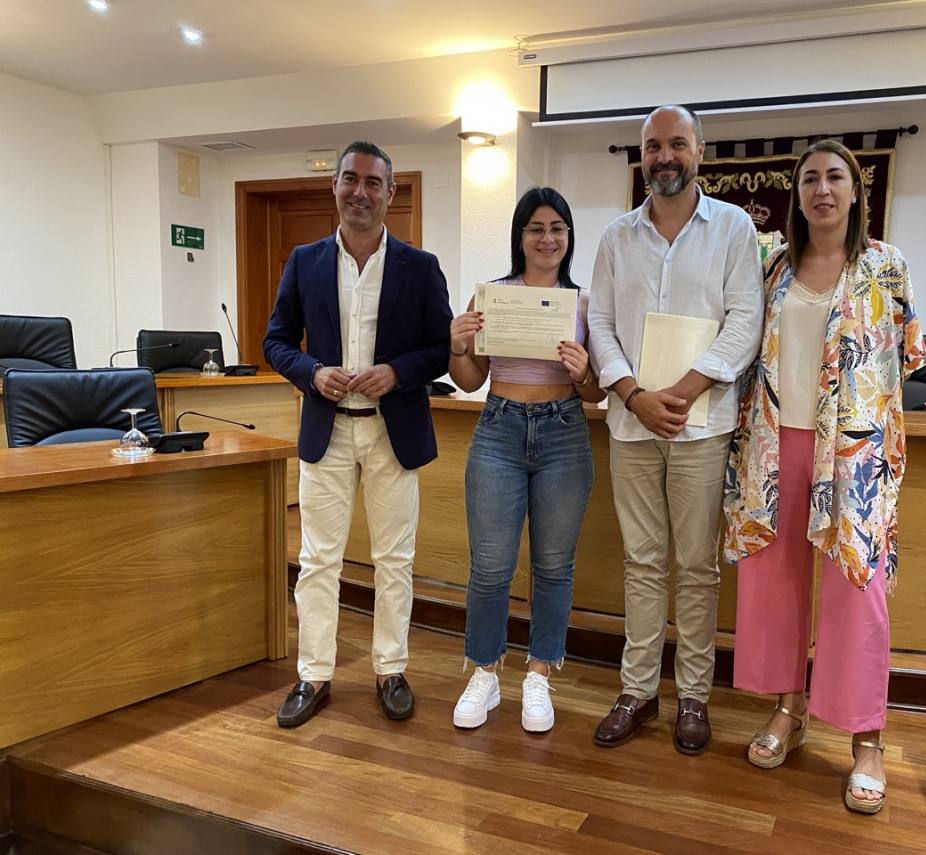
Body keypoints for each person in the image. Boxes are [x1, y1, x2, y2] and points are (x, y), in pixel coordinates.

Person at [723, 139, 926, 814]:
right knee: (774, 580)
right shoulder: (772, 266)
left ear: (855, 189)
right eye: (809, 178)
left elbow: (904, 363)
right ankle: (789, 709)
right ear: (797, 194)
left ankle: (867, 739)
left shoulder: (886, 265)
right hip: (774, 441)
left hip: (853, 452)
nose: (822, 188)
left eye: (835, 176)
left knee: (855, 588)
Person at [588, 105, 763, 755]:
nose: (665, 156)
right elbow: (600, 325)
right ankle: (637, 690)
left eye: (677, 144)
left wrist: (682, 392)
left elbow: (745, 321)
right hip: (631, 425)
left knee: (695, 565)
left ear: (700, 152)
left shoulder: (733, 227)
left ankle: (693, 695)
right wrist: (634, 396)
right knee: (641, 561)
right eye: (653, 146)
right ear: (642, 156)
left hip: (701, 425)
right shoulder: (616, 238)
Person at [264, 140, 453, 728]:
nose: (360, 192)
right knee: (318, 559)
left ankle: (390, 669)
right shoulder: (305, 261)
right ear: (335, 186)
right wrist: (310, 372)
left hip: (392, 432)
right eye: (351, 179)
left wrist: (397, 372)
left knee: (394, 559)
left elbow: (442, 349)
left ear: (391, 193)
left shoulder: (420, 267)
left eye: (373, 183)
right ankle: (313, 675)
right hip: (328, 431)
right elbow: (275, 341)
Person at [447, 187, 604, 732]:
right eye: (536, 228)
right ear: (520, 237)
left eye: (557, 228)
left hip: (564, 432)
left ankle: (539, 673)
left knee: (554, 566)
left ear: (569, 237)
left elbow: (595, 395)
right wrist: (458, 345)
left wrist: (584, 371)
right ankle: (485, 671)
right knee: (490, 566)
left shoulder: (584, 303)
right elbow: (471, 380)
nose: (547, 238)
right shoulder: (492, 297)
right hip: (499, 428)